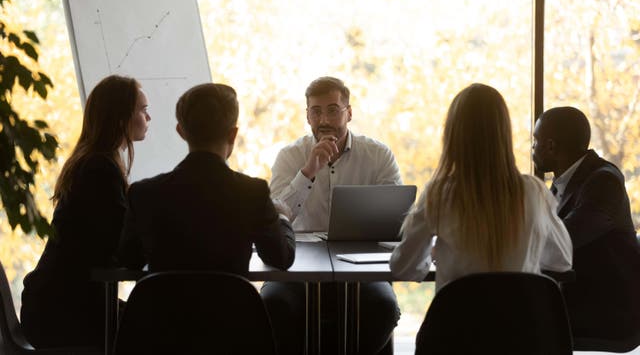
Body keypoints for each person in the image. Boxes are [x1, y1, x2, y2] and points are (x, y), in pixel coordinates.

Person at [390, 83, 572, 293]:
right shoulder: (534, 192)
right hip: (521, 324)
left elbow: (403, 268)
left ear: (452, 135)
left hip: (458, 324)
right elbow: (562, 261)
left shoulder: (440, 194)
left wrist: (434, 254)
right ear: (504, 133)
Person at [265, 76, 401, 355]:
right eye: (316, 111)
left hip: (361, 266)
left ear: (349, 113)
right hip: (296, 263)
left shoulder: (378, 155)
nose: (324, 119)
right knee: (273, 306)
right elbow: (277, 214)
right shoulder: (289, 156)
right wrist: (308, 172)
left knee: (383, 307)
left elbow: (397, 215)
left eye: (332, 109)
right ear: (307, 116)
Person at [20, 75, 150, 349]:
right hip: (65, 312)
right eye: (142, 109)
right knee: (160, 330)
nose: (148, 117)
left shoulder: (92, 163)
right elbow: (118, 250)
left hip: (56, 303)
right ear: (121, 118)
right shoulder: (100, 171)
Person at [118, 83, 295, 276]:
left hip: (165, 306)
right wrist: (283, 217)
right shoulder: (253, 192)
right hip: (229, 306)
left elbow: (130, 259)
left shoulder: (144, 194)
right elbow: (281, 258)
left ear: (181, 131)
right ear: (233, 134)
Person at [532, 106, 640, 342]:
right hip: (577, 300)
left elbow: (563, 241)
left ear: (551, 146)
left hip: (605, 312)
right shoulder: (564, 183)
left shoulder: (603, 181)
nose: (532, 148)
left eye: (535, 141)